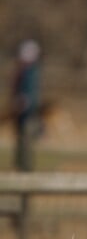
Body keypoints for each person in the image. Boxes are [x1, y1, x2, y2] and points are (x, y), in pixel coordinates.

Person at [9, 40, 42, 170]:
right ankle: (20, 169)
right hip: (21, 114)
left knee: (26, 144)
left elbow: (31, 95)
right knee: (21, 143)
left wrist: (22, 103)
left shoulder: (31, 72)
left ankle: (25, 173)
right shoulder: (23, 70)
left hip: (28, 114)